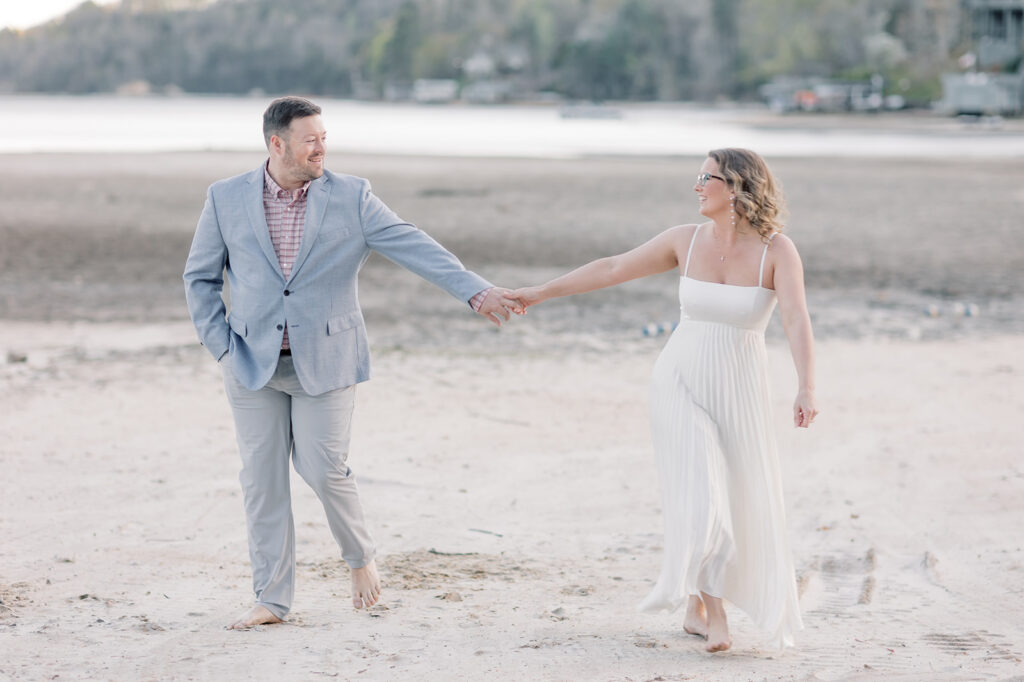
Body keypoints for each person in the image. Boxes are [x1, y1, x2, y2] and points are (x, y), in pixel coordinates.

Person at [183, 96, 520, 630]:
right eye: (310, 138)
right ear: (277, 144)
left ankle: (359, 557)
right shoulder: (225, 198)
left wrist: (476, 293)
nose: (322, 146)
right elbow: (199, 277)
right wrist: (221, 344)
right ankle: (271, 600)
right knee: (262, 480)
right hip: (251, 363)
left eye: (324, 136)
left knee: (322, 467)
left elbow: (415, 245)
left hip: (327, 360)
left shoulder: (353, 196)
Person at [509, 148, 817, 651]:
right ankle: (716, 617)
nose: (697, 186)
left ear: (736, 187)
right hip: (679, 379)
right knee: (703, 492)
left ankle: (696, 608)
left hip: (739, 388)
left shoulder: (776, 251)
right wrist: (537, 292)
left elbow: (797, 319)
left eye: (706, 177)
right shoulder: (684, 241)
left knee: (734, 494)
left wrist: (806, 385)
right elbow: (611, 268)